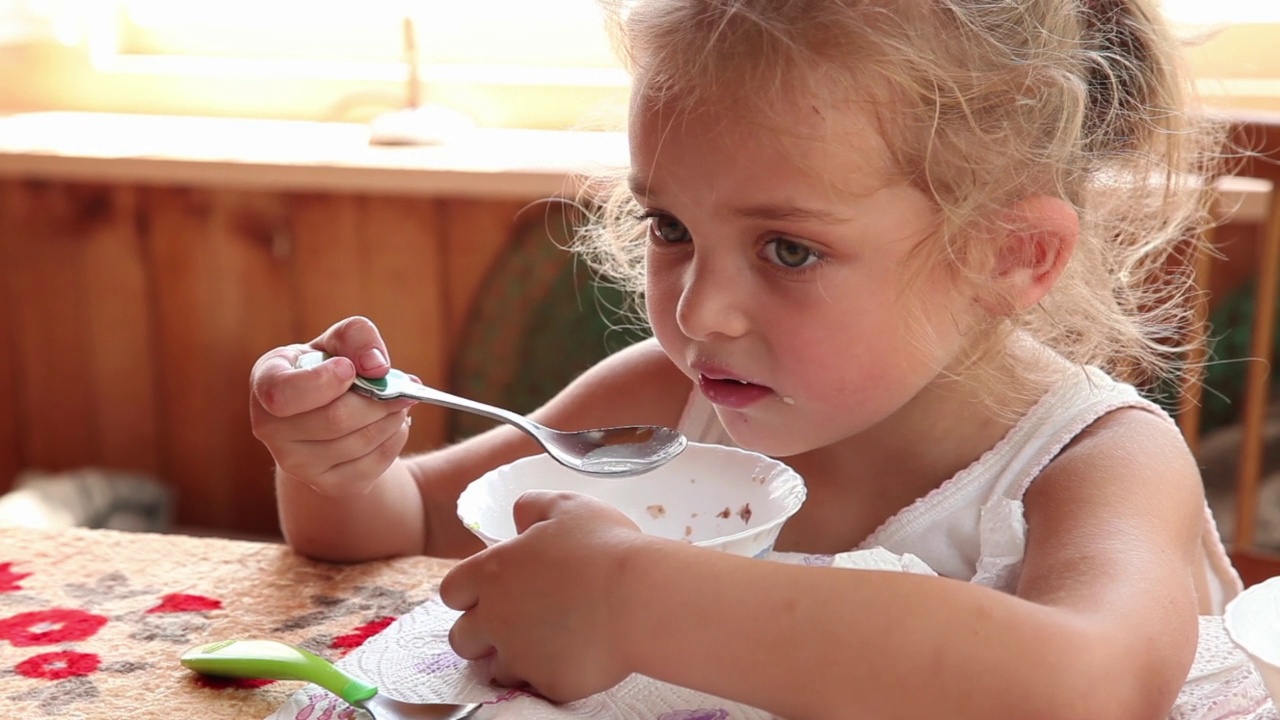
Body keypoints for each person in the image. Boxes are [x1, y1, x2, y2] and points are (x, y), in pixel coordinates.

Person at [249, 0, 1246, 717]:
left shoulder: (1093, 460)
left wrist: (635, 601)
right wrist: (336, 464)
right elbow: (406, 527)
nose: (700, 309)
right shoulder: (661, 406)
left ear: (1005, 256)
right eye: (670, 224)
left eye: (789, 249)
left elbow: (1090, 686)